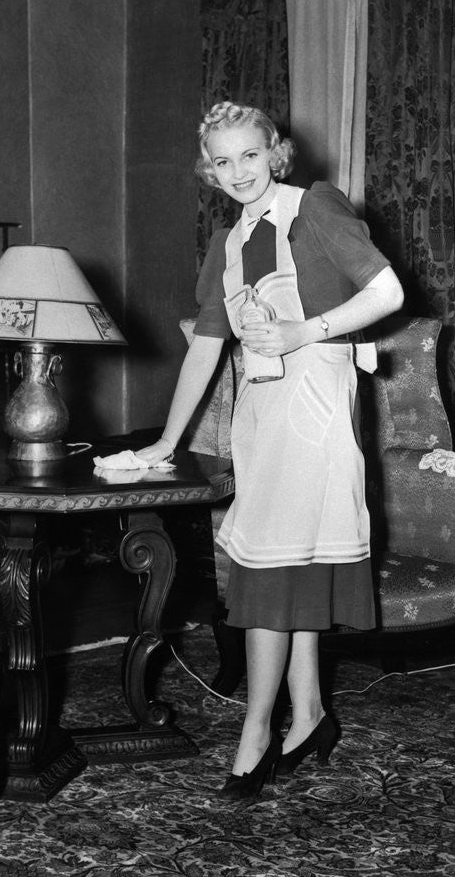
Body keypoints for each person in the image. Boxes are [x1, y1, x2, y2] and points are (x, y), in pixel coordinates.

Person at [136, 101, 404, 799]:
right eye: (221, 161)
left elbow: (386, 291)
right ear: (208, 170)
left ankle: (255, 729)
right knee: (284, 559)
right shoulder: (229, 241)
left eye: (249, 155)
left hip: (314, 407)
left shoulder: (312, 207)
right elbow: (204, 346)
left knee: (268, 574)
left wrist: (304, 330)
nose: (237, 172)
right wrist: (164, 441)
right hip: (260, 414)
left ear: (275, 152)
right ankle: (309, 712)